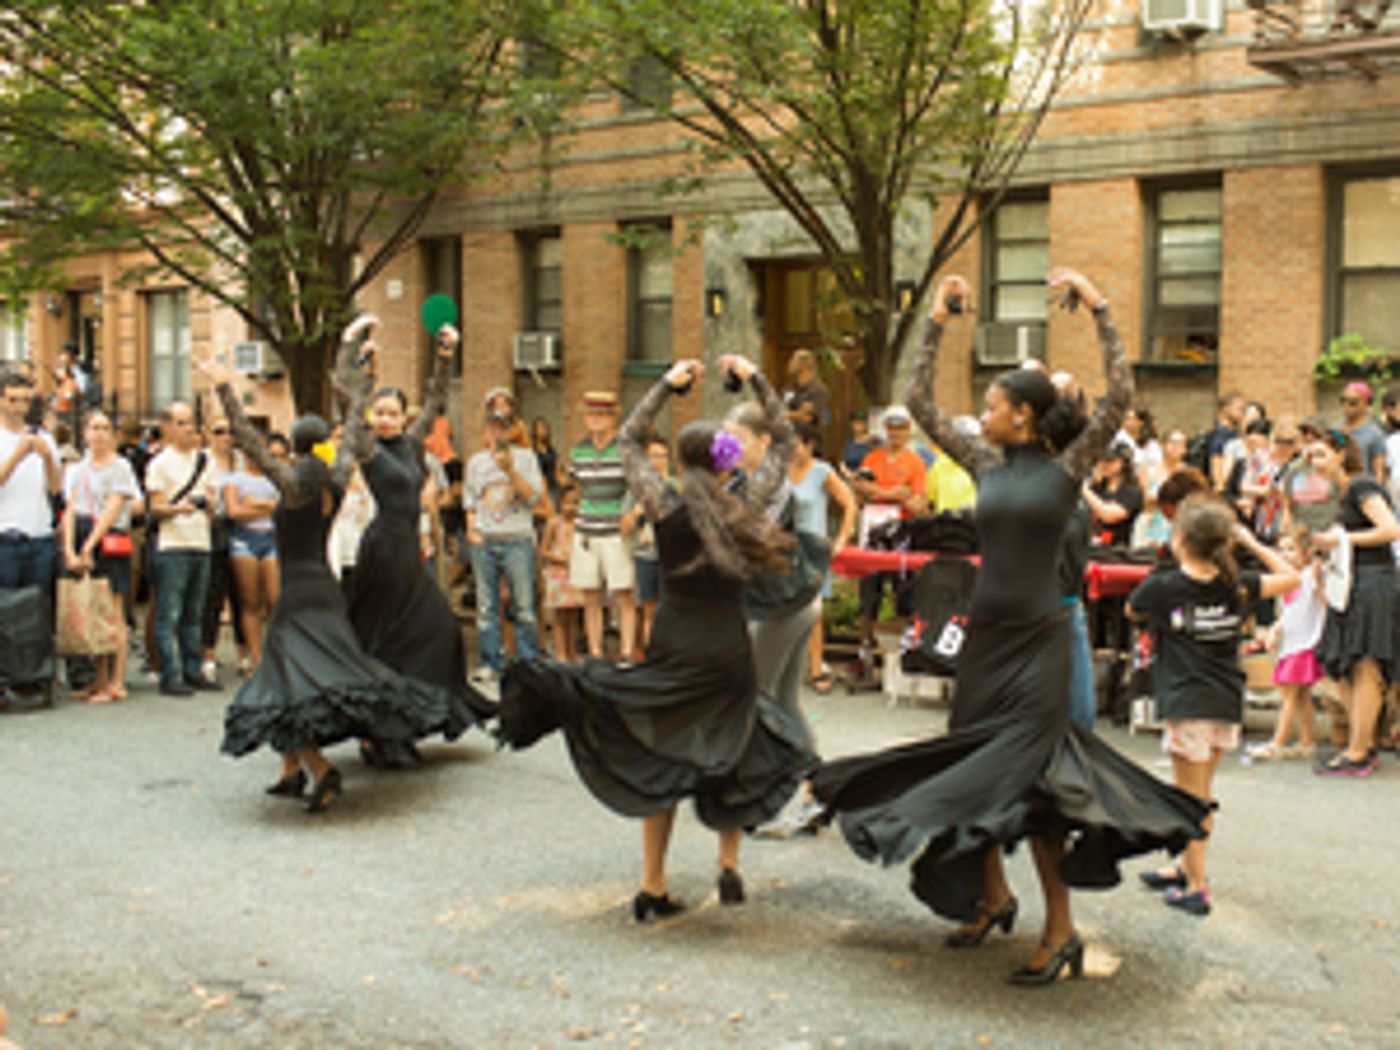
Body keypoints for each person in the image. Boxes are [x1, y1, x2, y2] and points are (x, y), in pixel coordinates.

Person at [813, 269, 1209, 985]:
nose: (981, 413)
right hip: (987, 640)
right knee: (974, 769)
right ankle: (993, 898)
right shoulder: (983, 462)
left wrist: (1101, 305)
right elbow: (917, 403)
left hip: (1039, 644)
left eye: (992, 404)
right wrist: (934, 320)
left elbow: (1119, 395)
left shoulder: (1066, 470)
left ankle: (1060, 932)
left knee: (1037, 786)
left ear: (1022, 417)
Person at [497, 355, 814, 921]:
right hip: (726, 647)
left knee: (662, 753)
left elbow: (625, 443)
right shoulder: (745, 505)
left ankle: (653, 883)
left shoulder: (664, 503)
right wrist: (758, 379)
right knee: (734, 748)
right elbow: (786, 443)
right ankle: (729, 864)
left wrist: (665, 387)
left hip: (676, 641)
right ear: (727, 459)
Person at [202, 359, 452, 814]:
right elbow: (355, 418)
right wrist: (364, 377)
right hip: (325, 591)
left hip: (297, 595)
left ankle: (318, 769)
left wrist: (224, 390)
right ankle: (290, 770)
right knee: (294, 678)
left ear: (294, 446)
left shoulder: (293, 481)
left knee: (284, 683)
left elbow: (246, 441)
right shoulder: (334, 478)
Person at [337, 317, 495, 765]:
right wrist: (351, 348)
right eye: (379, 413)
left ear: (403, 417)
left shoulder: (413, 445)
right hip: (381, 551)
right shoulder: (368, 448)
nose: (384, 420)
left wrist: (445, 355)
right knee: (382, 640)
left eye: (392, 413)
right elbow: (343, 398)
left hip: (407, 550)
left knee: (437, 633)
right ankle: (378, 735)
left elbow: (436, 399)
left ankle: (406, 724)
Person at [1128, 498, 1297, 916]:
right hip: (1224, 701)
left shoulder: (1164, 586)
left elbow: (1133, 609)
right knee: (1200, 794)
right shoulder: (1235, 583)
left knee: (1191, 800)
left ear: (1180, 539)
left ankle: (1197, 885)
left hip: (1188, 703)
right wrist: (1251, 542)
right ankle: (1184, 866)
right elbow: (1291, 577)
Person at [1311, 428, 1400, 776]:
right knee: (1346, 665)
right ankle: (1361, 745)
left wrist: (1340, 539)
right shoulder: (1341, 491)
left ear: (1340, 454)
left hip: (1372, 582)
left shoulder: (1363, 485)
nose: (1313, 463)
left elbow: (1391, 529)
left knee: (1365, 666)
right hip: (1350, 583)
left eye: (1319, 454)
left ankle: (1359, 751)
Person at [60, 409, 138, 703]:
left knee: (114, 610)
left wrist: (88, 547)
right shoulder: (75, 470)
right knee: (94, 611)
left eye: (105, 427)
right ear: (84, 433)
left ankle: (117, 681)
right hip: (81, 532)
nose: (100, 434)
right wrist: (69, 549)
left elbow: (113, 509)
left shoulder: (121, 467)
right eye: (94, 427)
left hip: (107, 539)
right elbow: (69, 510)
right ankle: (100, 678)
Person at [144, 400, 220, 697]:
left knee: (195, 612)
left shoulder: (206, 461)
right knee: (169, 612)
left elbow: (213, 503)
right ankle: (169, 673)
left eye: (191, 422)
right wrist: (179, 509)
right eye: (182, 423)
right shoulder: (160, 463)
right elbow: (156, 507)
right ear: (168, 427)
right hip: (172, 543)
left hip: (201, 542)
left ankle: (193, 669)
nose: (189, 429)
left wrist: (209, 505)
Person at [464, 411, 544, 680]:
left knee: (524, 606)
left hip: (517, 538)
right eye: (492, 428)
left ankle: (528, 662)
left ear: (512, 432)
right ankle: (490, 662)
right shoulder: (475, 462)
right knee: (486, 607)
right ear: (484, 432)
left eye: (503, 429)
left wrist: (509, 469)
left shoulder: (526, 458)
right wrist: (471, 530)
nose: (497, 434)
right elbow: (470, 500)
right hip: (485, 538)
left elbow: (533, 498)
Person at [781, 421, 856, 695]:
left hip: (813, 549)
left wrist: (842, 539)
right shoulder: (780, 472)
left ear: (809, 444)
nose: (790, 449)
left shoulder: (822, 471)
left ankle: (816, 667)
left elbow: (849, 503)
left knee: (812, 611)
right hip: (785, 548)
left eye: (796, 444)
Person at [568, 391, 638, 663]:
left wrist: (631, 514)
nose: (594, 419)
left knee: (623, 592)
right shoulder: (579, 450)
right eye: (590, 414)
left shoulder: (626, 448)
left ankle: (627, 651)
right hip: (586, 527)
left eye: (600, 414)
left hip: (615, 529)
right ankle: (596, 651)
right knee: (590, 594)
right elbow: (576, 487)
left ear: (613, 417)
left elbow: (638, 486)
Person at [850, 405, 926, 656]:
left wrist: (880, 493)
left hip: (902, 536)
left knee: (905, 597)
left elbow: (917, 504)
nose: (896, 433)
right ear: (885, 429)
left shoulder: (915, 463)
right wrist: (893, 493)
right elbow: (859, 492)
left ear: (908, 430)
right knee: (868, 595)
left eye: (901, 428)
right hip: (873, 534)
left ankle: (907, 651)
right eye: (891, 428)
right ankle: (865, 652)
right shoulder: (872, 459)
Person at [1248, 524, 1324, 761]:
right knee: (1301, 696)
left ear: (1306, 552)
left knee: (1288, 693)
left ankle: (1277, 742)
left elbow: (1319, 598)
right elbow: (1290, 612)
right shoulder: (1289, 580)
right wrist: (1274, 630)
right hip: (1294, 641)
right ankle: (1306, 741)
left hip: (1304, 642)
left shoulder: (1311, 575)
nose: (1285, 555)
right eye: (1281, 550)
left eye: (1291, 549)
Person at [224, 434, 286, 671]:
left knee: (274, 600)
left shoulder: (276, 479)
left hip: (272, 538)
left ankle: (275, 657)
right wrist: (268, 508)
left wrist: (255, 505)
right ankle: (256, 659)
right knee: (249, 602)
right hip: (243, 540)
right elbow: (233, 512)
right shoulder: (234, 479)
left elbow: (283, 508)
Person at [0, 372, 61, 598]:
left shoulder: (44, 437)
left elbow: (55, 489)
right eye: (13, 400)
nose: (20, 407)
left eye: (26, 400)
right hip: (5, 537)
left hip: (40, 537)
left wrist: (46, 457)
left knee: (38, 613)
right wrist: (16, 457)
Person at [201, 417, 250, 681]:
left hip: (241, 527)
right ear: (209, 434)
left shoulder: (241, 461)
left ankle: (244, 653)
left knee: (243, 593)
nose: (226, 437)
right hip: (214, 528)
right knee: (213, 593)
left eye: (231, 431)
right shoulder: (203, 461)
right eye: (219, 431)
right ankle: (208, 653)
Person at [620, 435, 674, 651]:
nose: (658, 461)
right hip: (645, 555)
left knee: (670, 608)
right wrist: (636, 512)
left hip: (671, 556)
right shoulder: (636, 488)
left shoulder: (676, 487)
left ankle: (670, 654)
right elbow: (622, 528)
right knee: (649, 608)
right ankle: (652, 656)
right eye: (653, 456)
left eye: (663, 456)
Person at [540, 483, 584, 662]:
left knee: (573, 616)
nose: (571, 507)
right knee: (559, 616)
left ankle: (572, 650)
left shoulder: (581, 524)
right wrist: (560, 558)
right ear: (559, 503)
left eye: (575, 503)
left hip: (576, 573)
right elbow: (543, 550)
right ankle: (560, 653)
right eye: (567, 502)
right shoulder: (554, 522)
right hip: (558, 573)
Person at [1280, 420, 1340, 536]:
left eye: (1314, 434)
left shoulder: (1333, 467)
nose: (1308, 437)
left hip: (1327, 534)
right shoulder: (1294, 469)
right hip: (1301, 535)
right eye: (1304, 433)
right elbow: (1287, 504)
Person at [1082, 441, 1143, 547]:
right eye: (1101, 460)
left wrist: (1082, 487)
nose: (1104, 464)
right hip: (1088, 548)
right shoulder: (1094, 489)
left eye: (1110, 461)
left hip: (1115, 553)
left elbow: (1108, 515)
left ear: (1123, 463)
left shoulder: (1132, 492)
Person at [1137, 427, 1188, 547]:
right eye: (1172, 443)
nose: (1175, 447)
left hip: (1179, 525)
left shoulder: (1189, 473)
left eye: (1180, 444)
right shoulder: (1148, 470)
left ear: (1185, 449)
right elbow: (1145, 501)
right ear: (1163, 445)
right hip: (1151, 521)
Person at [1339, 380, 1387, 483]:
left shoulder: (1375, 434)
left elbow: (1379, 471)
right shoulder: (1335, 429)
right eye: (1343, 400)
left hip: (1361, 492)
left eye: (1353, 402)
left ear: (1366, 404)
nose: (1346, 405)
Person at [1205, 393, 1245, 492]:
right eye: (1239, 409)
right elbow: (1217, 473)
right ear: (1226, 409)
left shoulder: (1235, 434)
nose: (1242, 413)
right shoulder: (1219, 436)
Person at [782, 348, 829, 429]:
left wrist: (789, 415)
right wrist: (798, 414)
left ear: (804, 364)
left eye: (793, 360)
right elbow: (780, 412)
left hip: (809, 439)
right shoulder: (788, 389)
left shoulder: (818, 389)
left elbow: (808, 418)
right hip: (788, 437)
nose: (790, 363)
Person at [532, 416, 561, 505]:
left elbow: (557, 470)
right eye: (540, 428)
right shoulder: (531, 450)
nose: (543, 431)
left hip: (552, 486)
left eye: (544, 428)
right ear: (534, 430)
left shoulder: (551, 450)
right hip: (537, 487)